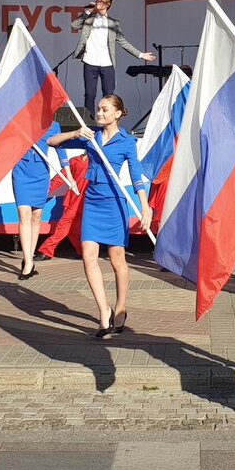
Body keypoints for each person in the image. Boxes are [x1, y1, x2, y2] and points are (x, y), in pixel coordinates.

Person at [49, 95, 152, 336]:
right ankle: (103, 310)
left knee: (117, 260)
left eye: (105, 109)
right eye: (98, 109)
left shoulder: (127, 141)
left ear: (117, 113)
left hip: (114, 203)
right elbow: (52, 141)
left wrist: (144, 205)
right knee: (88, 257)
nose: (100, 113)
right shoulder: (90, 135)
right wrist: (75, 134)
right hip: (93, 201)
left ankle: (120, 307)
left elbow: (136, 174)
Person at [71, 0, 155, 113]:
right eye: (97, 0)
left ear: (108, 4)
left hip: (107, 63)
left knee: (109, 96)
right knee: (89, 95)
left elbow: (123, 41)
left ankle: (108, 122)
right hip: (90, 61)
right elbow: (74, 24)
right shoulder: (89, 19)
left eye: (101, 0)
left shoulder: (114, 23)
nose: (97, 2)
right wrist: (88, 11)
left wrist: (141, 55)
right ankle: (89, 126)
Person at [12, 122, 61, 280]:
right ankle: (27, 263)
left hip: (41, 174)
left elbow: (61, 150)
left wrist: (68, 172)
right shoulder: (18, 120)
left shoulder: (54, 125)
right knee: (24, 213)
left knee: (36, 216)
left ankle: (30, 259)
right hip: (21, 170)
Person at [35, 151, 90, 260]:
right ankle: (83, 251)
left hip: (86, 199)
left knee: (68, 227)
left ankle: (47, 250)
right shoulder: (74, 160)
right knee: (70, 228)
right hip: (74, 199)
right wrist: (44, 191)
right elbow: (61, 177)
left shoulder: (97, 161)